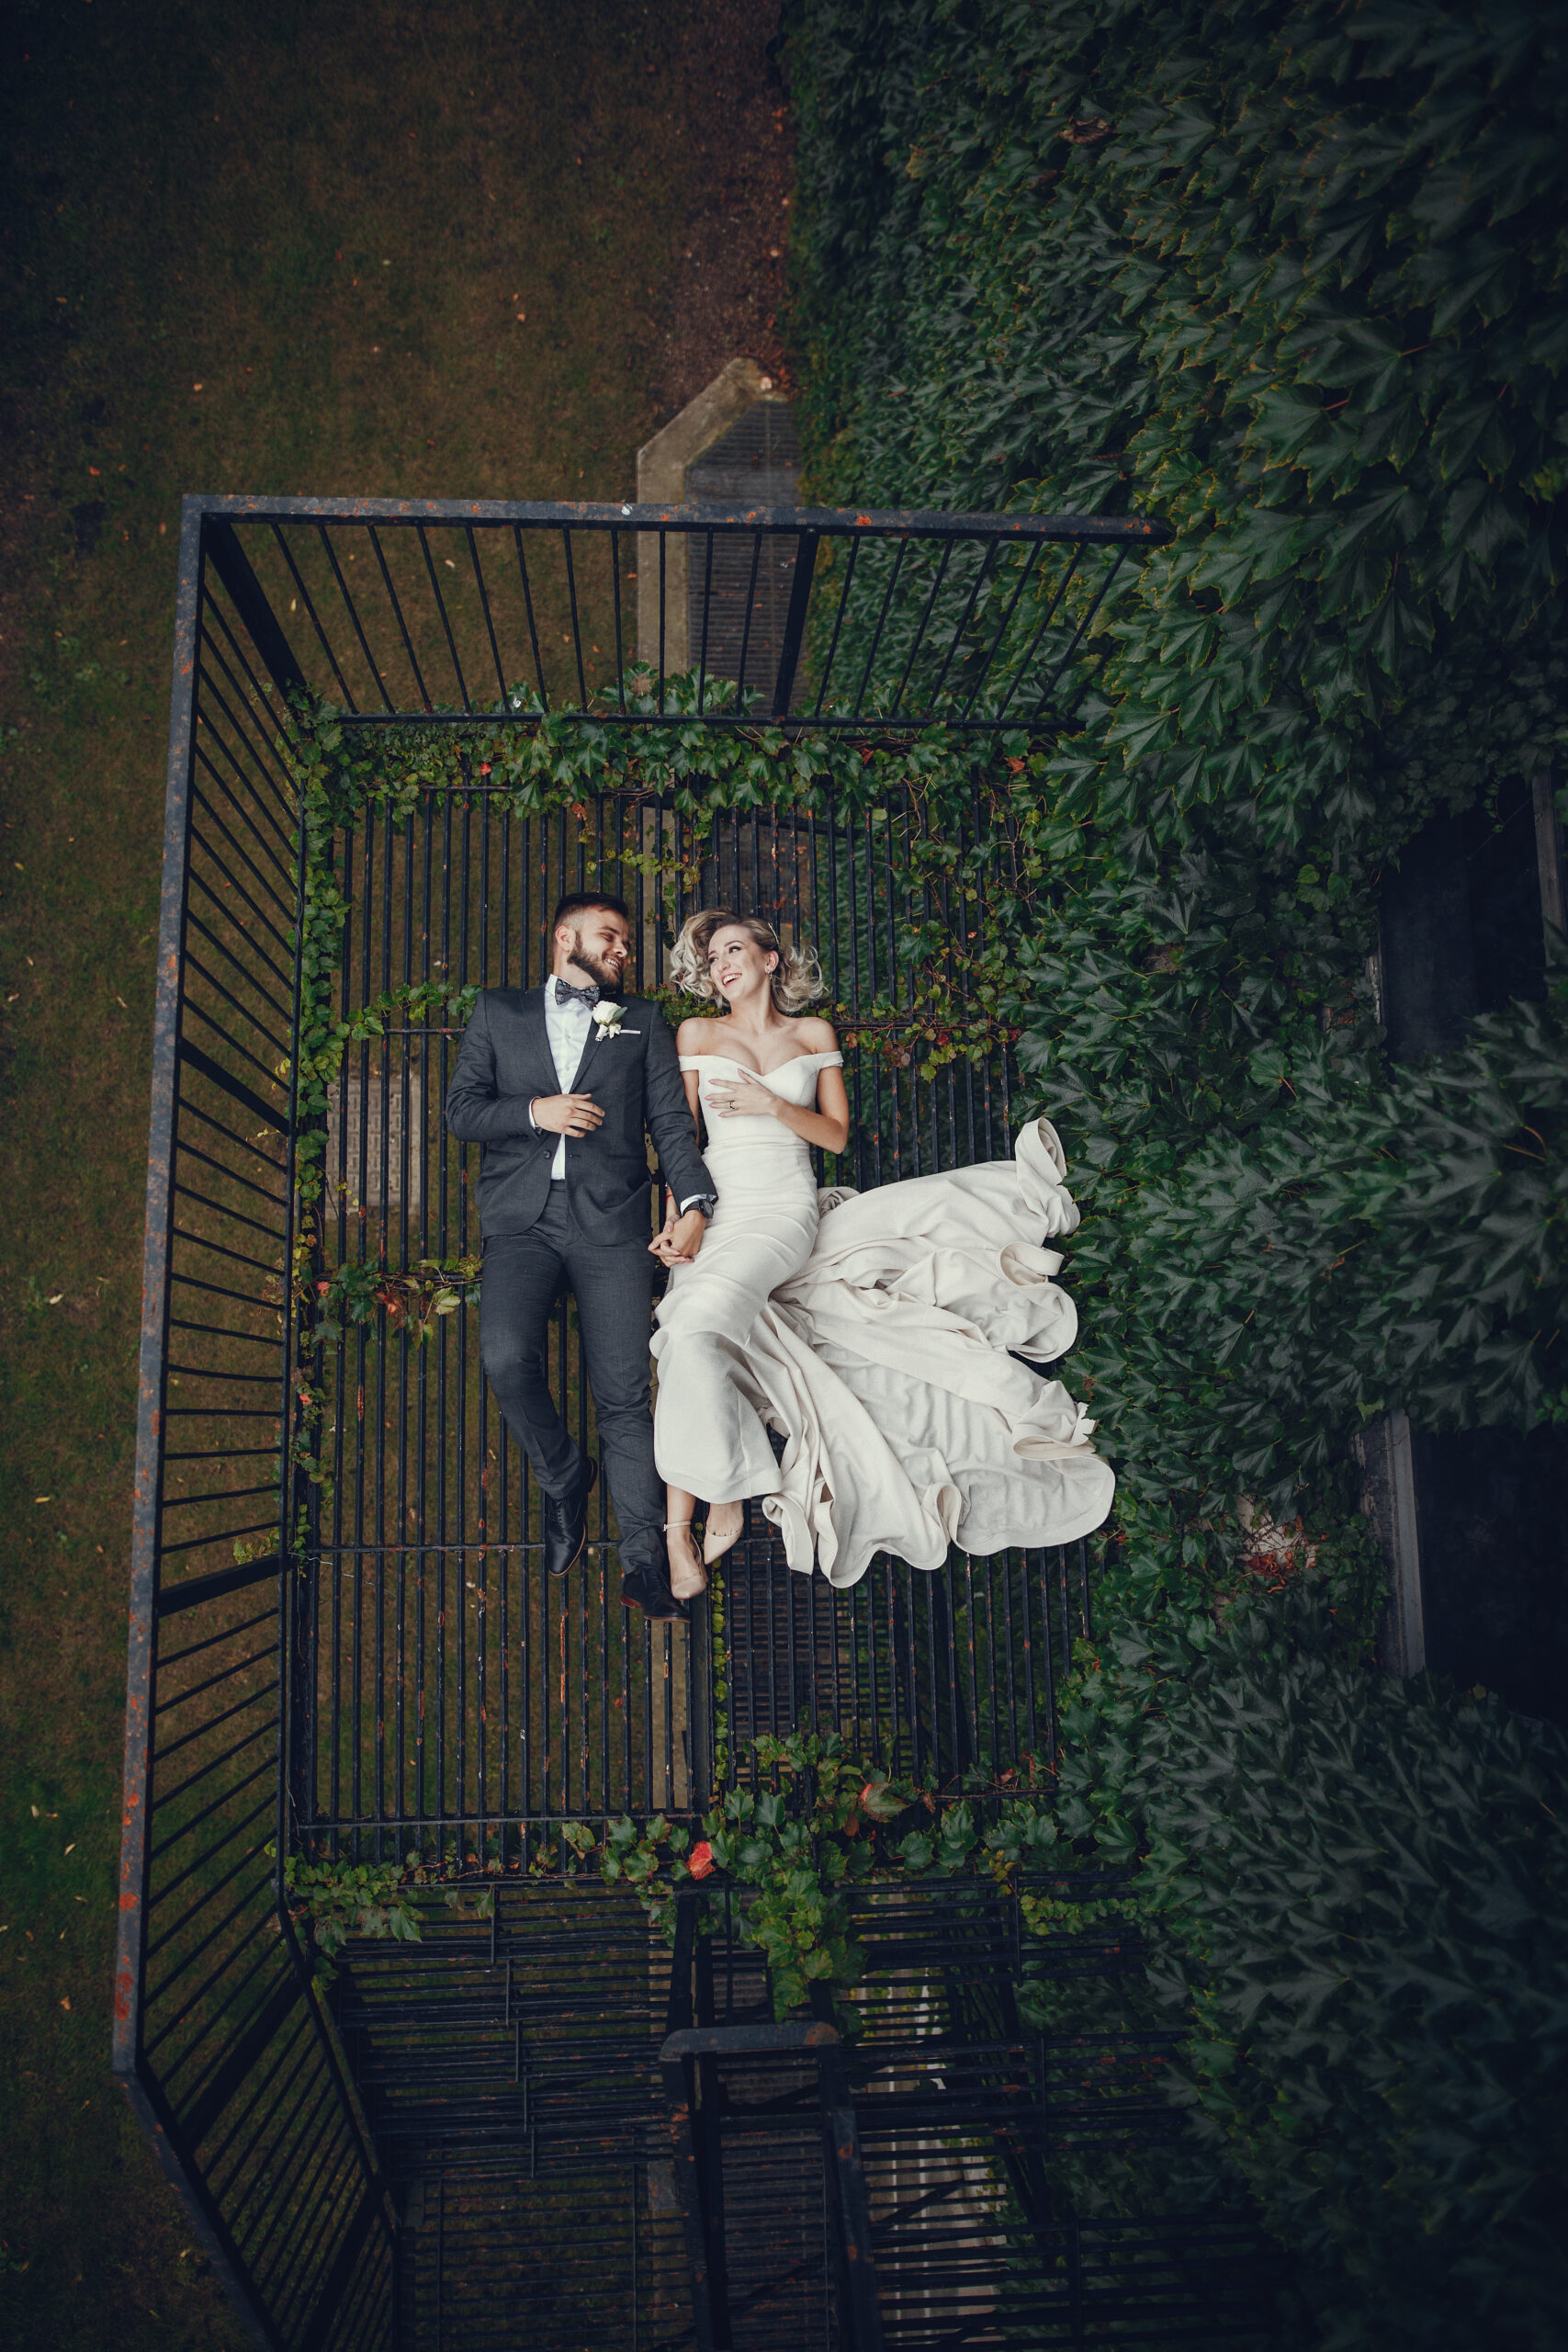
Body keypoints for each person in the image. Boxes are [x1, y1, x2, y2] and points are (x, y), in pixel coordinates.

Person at [650, 908, 1115, 1595]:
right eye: (712, 958)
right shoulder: (696, 1032)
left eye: (733, 950)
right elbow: (678, 1140)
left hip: (782, 1211)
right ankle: (689, 1518)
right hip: (715, 1209)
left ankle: (707, 1500)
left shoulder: (811, 1034)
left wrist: (769, 1104)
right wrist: (681, 1216)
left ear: (769, 959)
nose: (720, 966)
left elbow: (835, 1136)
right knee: (685, 1330)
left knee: (691, 1325)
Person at [444, 891, 716, 1620]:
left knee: (625, 1397)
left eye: (626, 941)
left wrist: (695, 1204)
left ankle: (641, 1562)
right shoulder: (498, 1012)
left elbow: (669, 1121)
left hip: (613, 1226)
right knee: (504, 1357)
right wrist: (538, 1113)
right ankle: (565, 1477)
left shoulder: (643, 1021)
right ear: (563, 937)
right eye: (610, 937)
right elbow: (461, 1110)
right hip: (520, 1222)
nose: (623, 949)